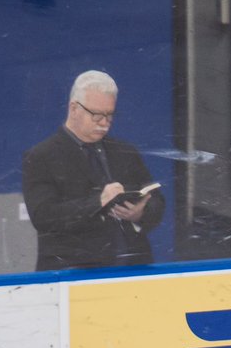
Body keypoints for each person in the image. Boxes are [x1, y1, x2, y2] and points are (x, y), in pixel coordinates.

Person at [21, 70, 165, 271]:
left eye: (109, 115)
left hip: (132, 269)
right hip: (73, 275)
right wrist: (98, 202)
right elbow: (44, 217)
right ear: (74, 109)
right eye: (97, 115)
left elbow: (156, 199)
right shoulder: (41, 156)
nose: (104, 123)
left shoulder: (124, 150)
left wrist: (139, 213)